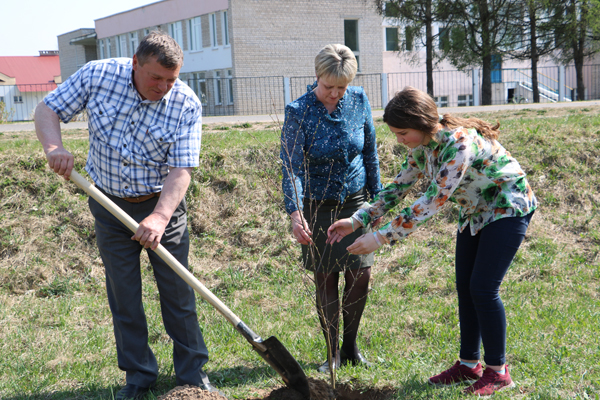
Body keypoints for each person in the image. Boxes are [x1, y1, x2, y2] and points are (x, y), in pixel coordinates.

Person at [35, 31, 222, 400]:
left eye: (171, 79)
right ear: (135, 63)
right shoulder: (97, 76)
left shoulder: (185, 103)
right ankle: (139, 375)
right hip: (108, 204)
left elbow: (182, 169)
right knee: (124, 294)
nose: (164, 87)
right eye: (156, 78)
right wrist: (54, 146)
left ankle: (191, 373)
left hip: (161, 203)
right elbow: (48, 109)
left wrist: (160, 217)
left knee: (177, 291)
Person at [328, 86, 537, 396]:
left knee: (482, 287)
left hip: (507, 207)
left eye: (402, 133)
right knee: (466, 287)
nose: (399, 140)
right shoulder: (421, 147)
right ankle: (469, 365)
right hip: (474, 210)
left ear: (422, 123)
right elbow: (397, 188)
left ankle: (498, 371)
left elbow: (434, 200)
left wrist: (380, 237)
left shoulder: (459, 145)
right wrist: (357, 220)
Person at [280, 44, 382, 374]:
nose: (335, 94)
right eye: (328, 87)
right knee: (326, 279)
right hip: (317, 205)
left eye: (342, 87)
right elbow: (291, 166)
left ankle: (351, 347)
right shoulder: (299, 111)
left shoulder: (359, 100)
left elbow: (369, 153)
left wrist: (378, 200)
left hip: (355, 202)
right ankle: (331, 353)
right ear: (316, 77)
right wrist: (296, 213)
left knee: (360, 274)